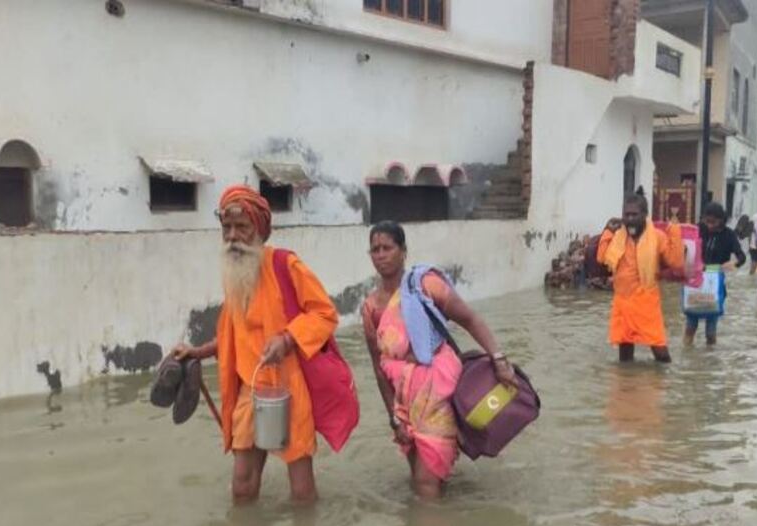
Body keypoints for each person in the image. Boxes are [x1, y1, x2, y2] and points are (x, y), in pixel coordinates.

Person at [172, 185, 339, 504]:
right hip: (249, 390)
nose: (233, 236)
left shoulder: (285, 265)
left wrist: (288, 339)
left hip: (287, 387)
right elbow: (235, 334)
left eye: (242, 227)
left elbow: (324, 313)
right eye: (226, 228)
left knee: (301, 491)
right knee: (242, 486)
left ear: (260, 229)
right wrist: (198, 352)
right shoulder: (234, 272)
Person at [361, 221, 518, 499]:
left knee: (425, 485)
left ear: (403, 251)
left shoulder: (423, 286)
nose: (381, 254)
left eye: (388, 247)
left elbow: (470, 319)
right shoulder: (371, 307)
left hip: (438, 396)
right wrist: (393, 418)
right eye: (375, 249)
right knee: (423, 481)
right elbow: (378, 366)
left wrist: (499, 359)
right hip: (405, 406)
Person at [597, 194, 684, 363]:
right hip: (622, 302)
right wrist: (607, 231)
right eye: (626, 214)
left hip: (647, 302)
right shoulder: (618, 237)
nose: (629, 219)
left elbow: (675, 261)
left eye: (634, 214)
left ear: (645, 215)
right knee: (625, 357)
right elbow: (602, 258)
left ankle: (665, 385)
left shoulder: (657, 237)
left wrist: (674, 230)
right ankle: (626, 385)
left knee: (661, 354)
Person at [684, 202, 746, 346]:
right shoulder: (697, 229)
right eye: (707, 221)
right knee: (690, 327)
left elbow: (742, 257)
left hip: (715, 283)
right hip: (695, 281)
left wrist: (733, 264)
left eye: (714, 222)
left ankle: (711, 361)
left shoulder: (729, 235)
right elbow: (685, 248)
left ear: (721, 220)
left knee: (711, 331)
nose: (710, 225)